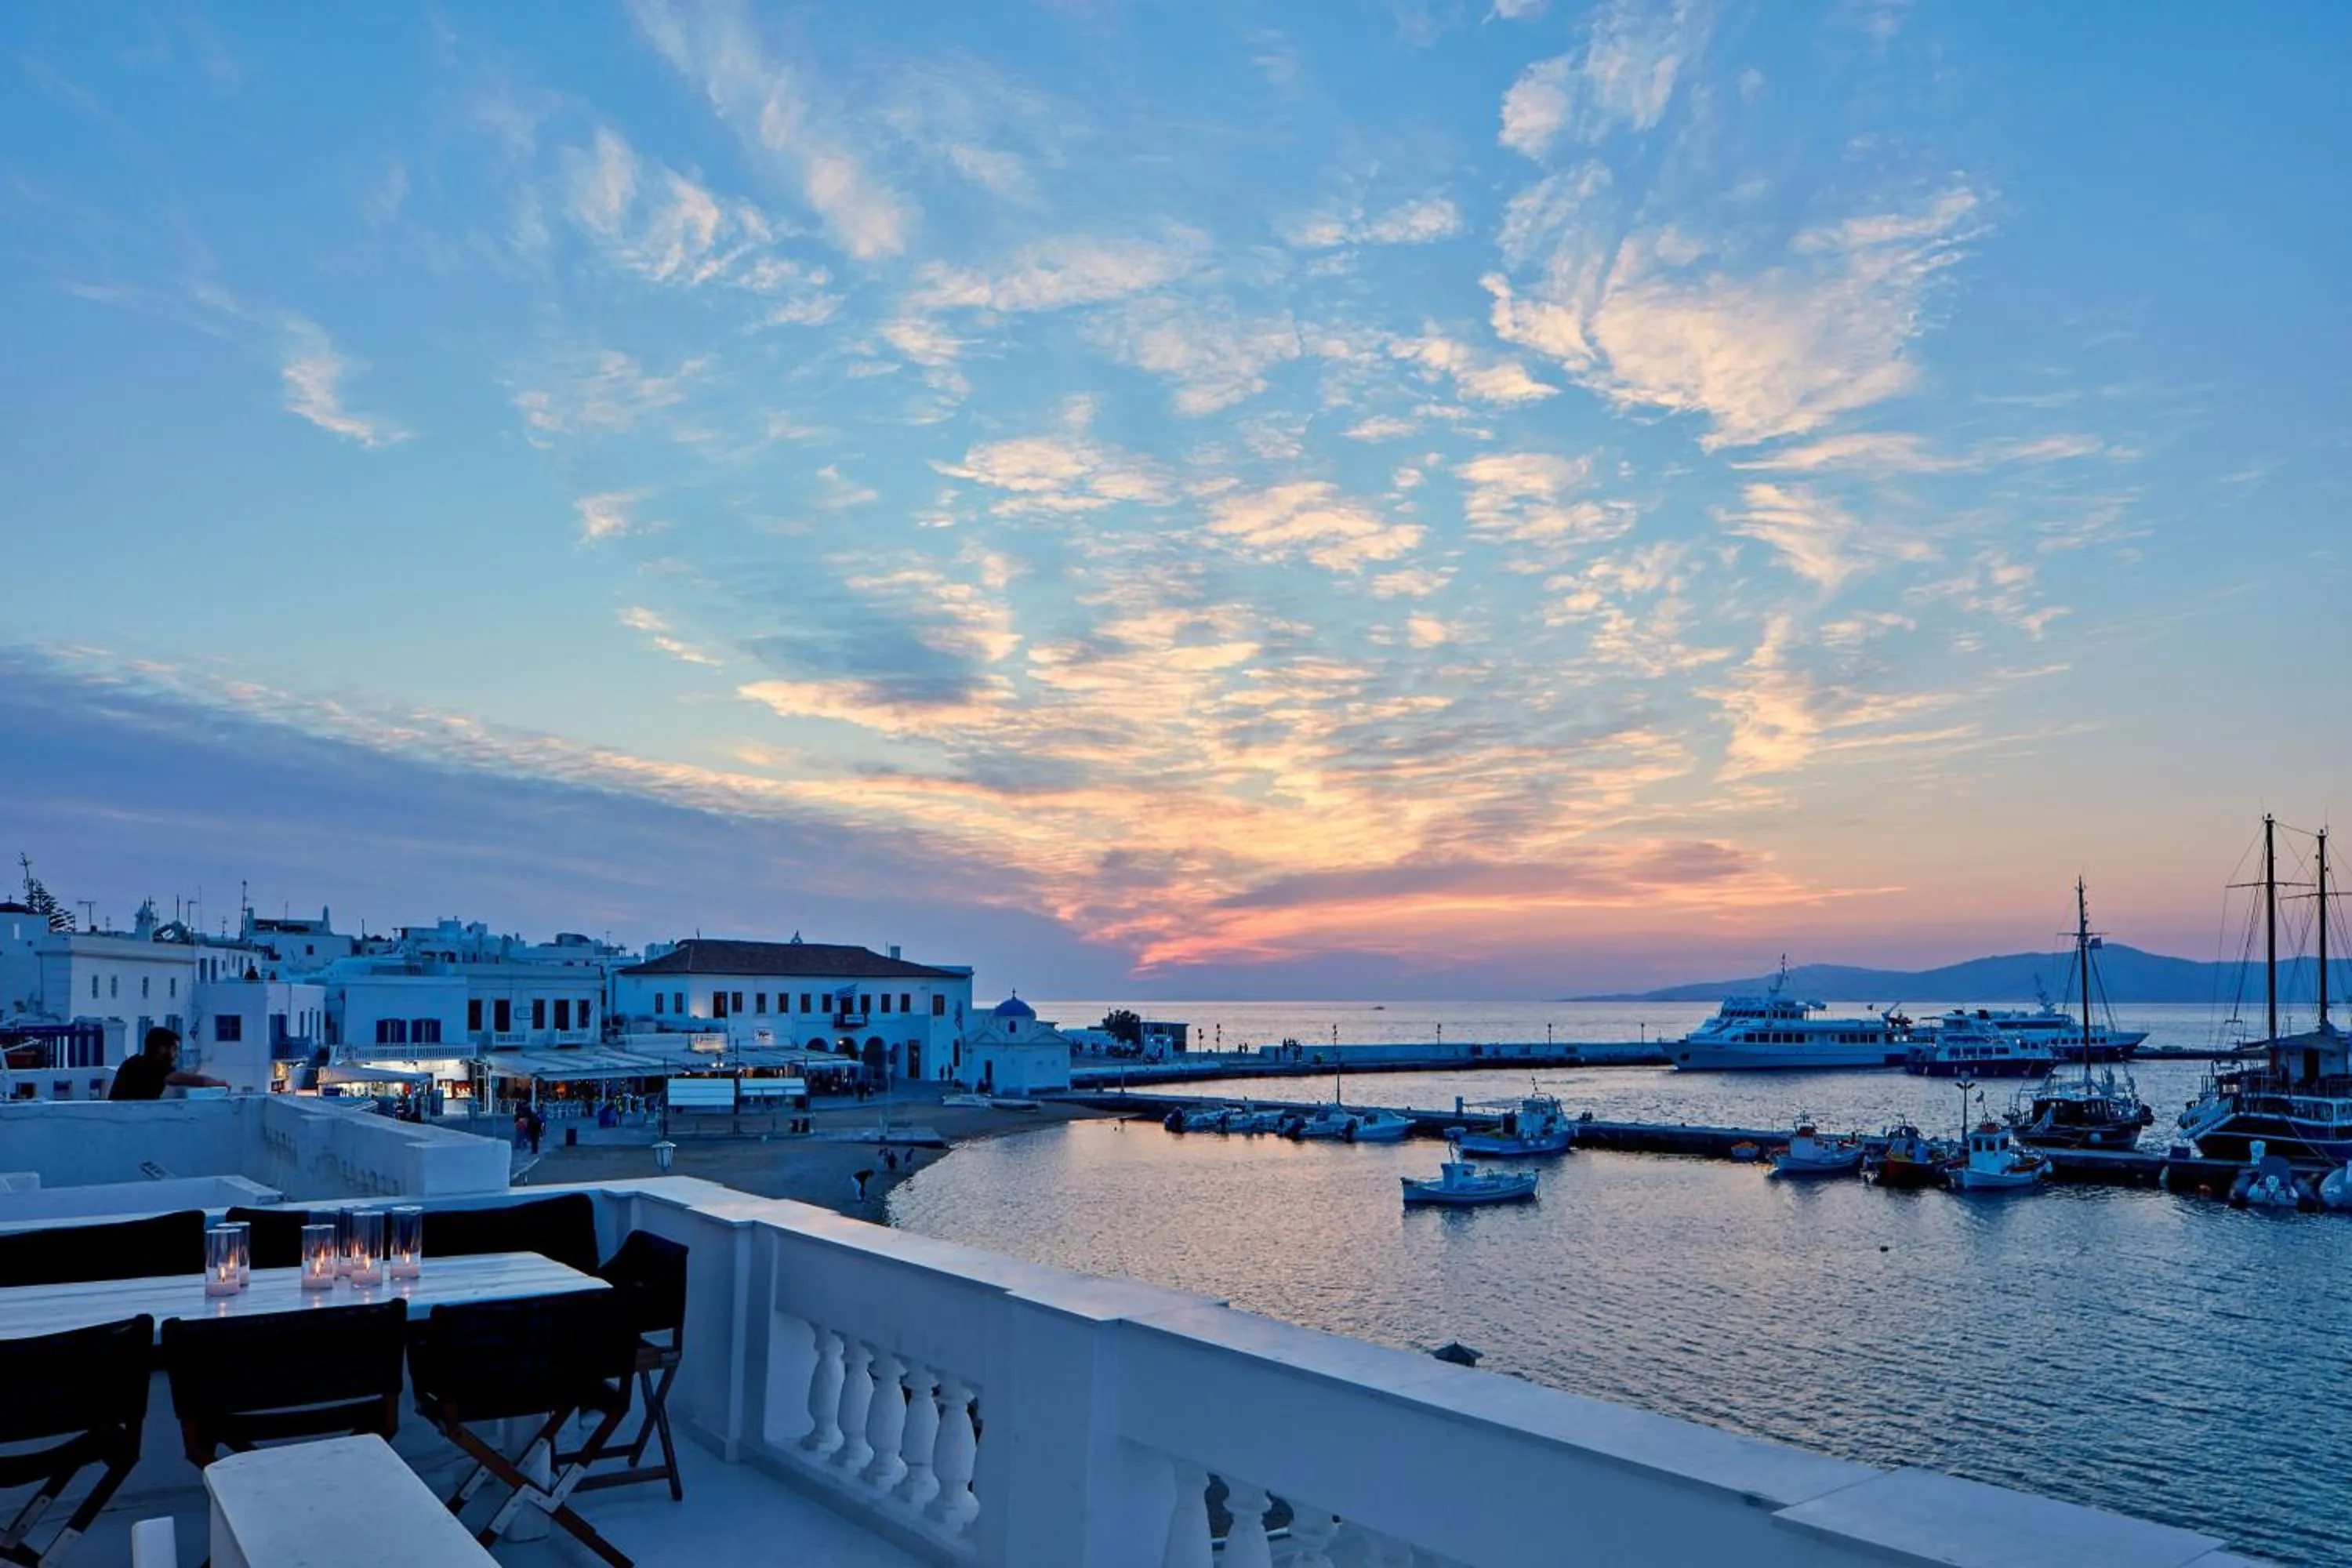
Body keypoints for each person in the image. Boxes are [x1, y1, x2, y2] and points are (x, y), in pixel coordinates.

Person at [107, 1026, 227, 1100]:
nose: (177, 1055)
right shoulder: (154, 1067)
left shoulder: (132, 1063)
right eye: (174, 1049)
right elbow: (194, 1080)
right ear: (162, 1049)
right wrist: (220, 1084)